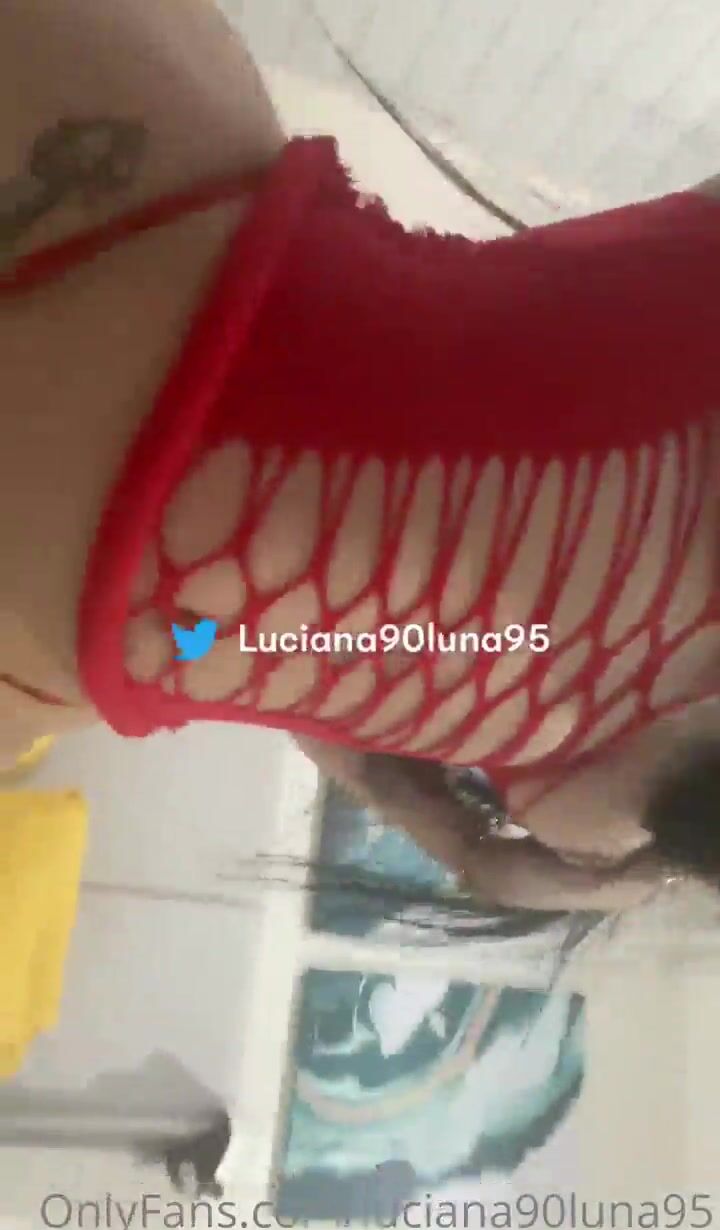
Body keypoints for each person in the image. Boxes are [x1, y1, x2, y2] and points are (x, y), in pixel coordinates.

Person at [0, 0, 717, 913]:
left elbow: (335, 637)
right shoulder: (621, 820)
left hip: (50, 649)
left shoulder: (638, 826)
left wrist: (445, 829)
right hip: (100, 203)